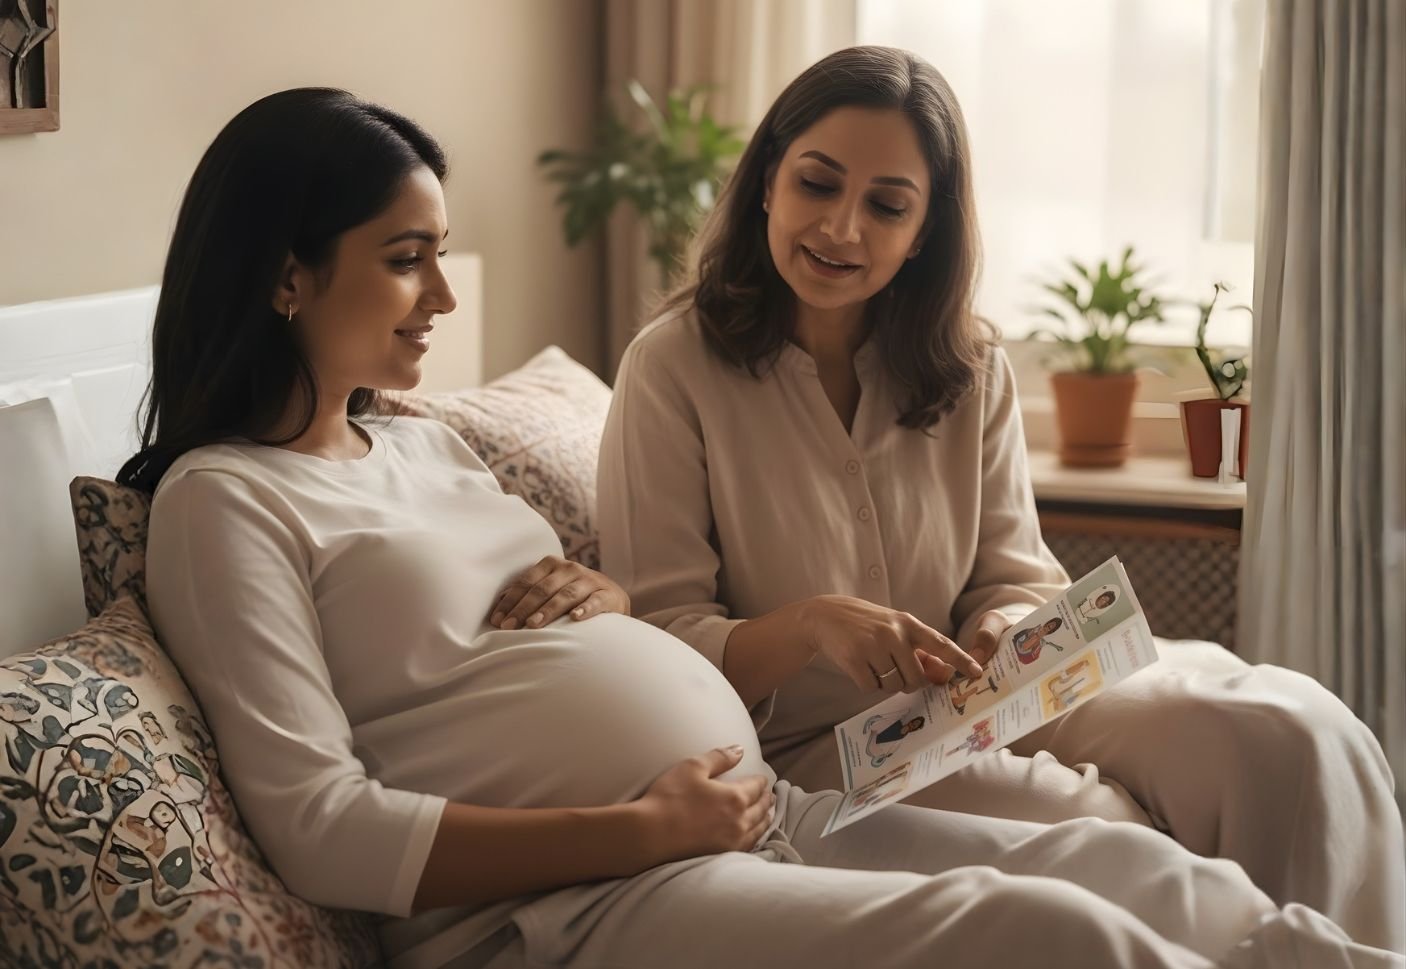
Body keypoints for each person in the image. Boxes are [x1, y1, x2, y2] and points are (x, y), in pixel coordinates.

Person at [126, 87, 1398, 969]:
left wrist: (608, 607)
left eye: (441, 254)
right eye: (409, 258)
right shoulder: (223, 500)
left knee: (1148, 880)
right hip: (570, 901)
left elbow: (583, 610)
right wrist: (639, 826)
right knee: (1055, 939)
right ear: (285, 273)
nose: (447, 297)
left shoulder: (417, 441)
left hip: (747, 817)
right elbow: (319, 823)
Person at [595, 45, 1405, 954]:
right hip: (823, 747)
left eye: (887, 206)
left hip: (998, 692)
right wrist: (813, 625)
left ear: (925, 229)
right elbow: (658, 644)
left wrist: (1003, 623)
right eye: (817, 185)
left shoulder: (969, 365)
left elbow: (1014, 572)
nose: (842, 228)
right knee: (1108, 828)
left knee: (1287, 734)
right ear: (767, 183)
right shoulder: (671, 368)